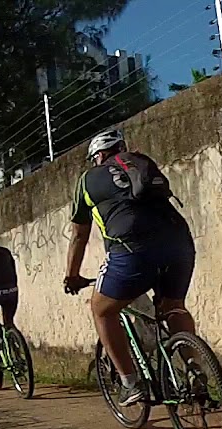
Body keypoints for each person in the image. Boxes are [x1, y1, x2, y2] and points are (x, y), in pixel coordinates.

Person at [63, 129, 196, 406]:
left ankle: (130, 383)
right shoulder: (140, 162)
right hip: (179, 242)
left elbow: (79, 235)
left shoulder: (88, 180)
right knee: (173, 307)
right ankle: (197, 374)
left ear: (97, 156)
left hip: (131, 251)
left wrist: (72, 276)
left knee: (101, 310)